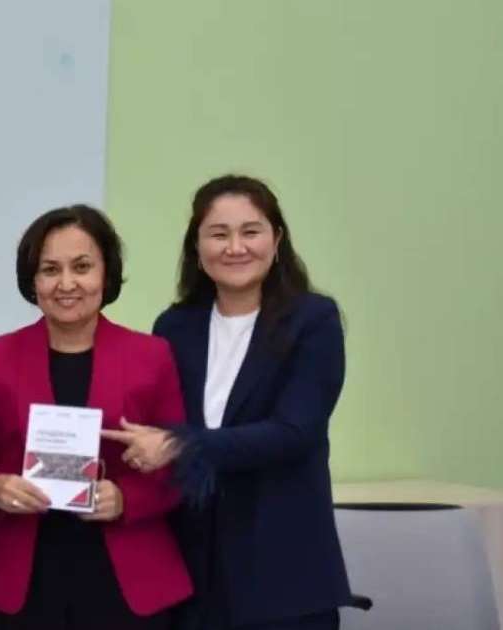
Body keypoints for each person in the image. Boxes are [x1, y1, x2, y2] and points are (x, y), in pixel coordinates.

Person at [104, 175, 350, 630]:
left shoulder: (313, 320)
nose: (235, 247)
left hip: (283, 574)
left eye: (250, 231)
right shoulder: (174, 326)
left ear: (277, 240)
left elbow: (294, 432)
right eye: (218, 234)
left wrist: (181, 445)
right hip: (191, 574)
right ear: (197, 248)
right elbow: (157, 422)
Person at [0, 205, 192, 630]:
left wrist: (126, 498)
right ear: (33, 280)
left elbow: (181, 465)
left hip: (128, 577)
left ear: (106, 273)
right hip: (24, 578)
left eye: (82, 267)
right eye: (50, 269)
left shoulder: (151, 356)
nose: (66, 284)